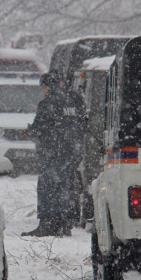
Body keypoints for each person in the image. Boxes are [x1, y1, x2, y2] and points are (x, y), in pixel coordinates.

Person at [22, 71, 86, 237]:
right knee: (65, 186)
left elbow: (39, 129)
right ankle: (65, 223)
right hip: (70, 153)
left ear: (47, 86)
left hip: (53, 153)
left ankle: (48, 224)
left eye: (43, 87)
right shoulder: (71, 101)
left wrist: (31, 132)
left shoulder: (47, 103)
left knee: (47, 187)